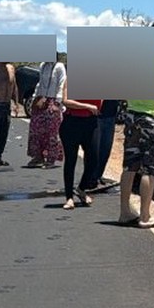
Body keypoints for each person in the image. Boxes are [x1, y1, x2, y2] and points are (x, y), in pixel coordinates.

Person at [119, 21, 154, 228]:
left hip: (133, 116)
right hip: (153, 117)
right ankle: (145, 215)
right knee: (149, 168)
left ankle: (125, 212)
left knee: (130, 165)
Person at [59, 76, 101, 209]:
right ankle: (69, 197)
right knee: (71, 160)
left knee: (94, 159)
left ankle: (81, 188)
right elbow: (66, 101)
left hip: (91, 122)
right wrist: (87, 106)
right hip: (72, 122)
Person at [25, 53, 66, 168]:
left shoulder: (59, 66)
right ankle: (38, 156)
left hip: (53, 101)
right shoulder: (43, 65)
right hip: (41, 100)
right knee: (36, 129)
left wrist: (57, 103)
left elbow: (61, 84)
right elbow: (40, 84)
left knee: (52, 132)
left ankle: (51, 158)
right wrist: (35, 98)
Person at [79, 99, 120, 193]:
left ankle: (96, 177)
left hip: (110, 113)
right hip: (94, 114)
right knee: (94, 149)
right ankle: (90, 179)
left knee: (105, 149)